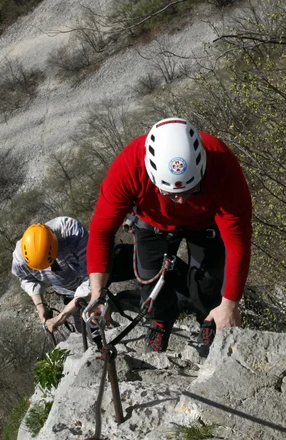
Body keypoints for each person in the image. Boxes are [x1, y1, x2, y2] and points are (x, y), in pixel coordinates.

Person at [85, 117, 252, 352]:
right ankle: (161, 320)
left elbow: (238, 240)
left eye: (191, 189)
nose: (181, 199)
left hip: (204, 221)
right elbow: (102, 231)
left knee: (207, 283)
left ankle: (210, 318)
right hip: (152, 220)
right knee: (149, 279)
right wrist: (97, 294)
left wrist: (230, 304)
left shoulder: (222, 164)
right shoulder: (129, 167)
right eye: (171, 193)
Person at [11, 217, 134, 333]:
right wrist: (40, 305)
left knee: (146, 263)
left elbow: (92, 277)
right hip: (71, 292)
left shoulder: (69, 230)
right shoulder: (20, 259)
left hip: (102, 267)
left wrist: (62, 316)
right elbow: (26, 278)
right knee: (87, 329)